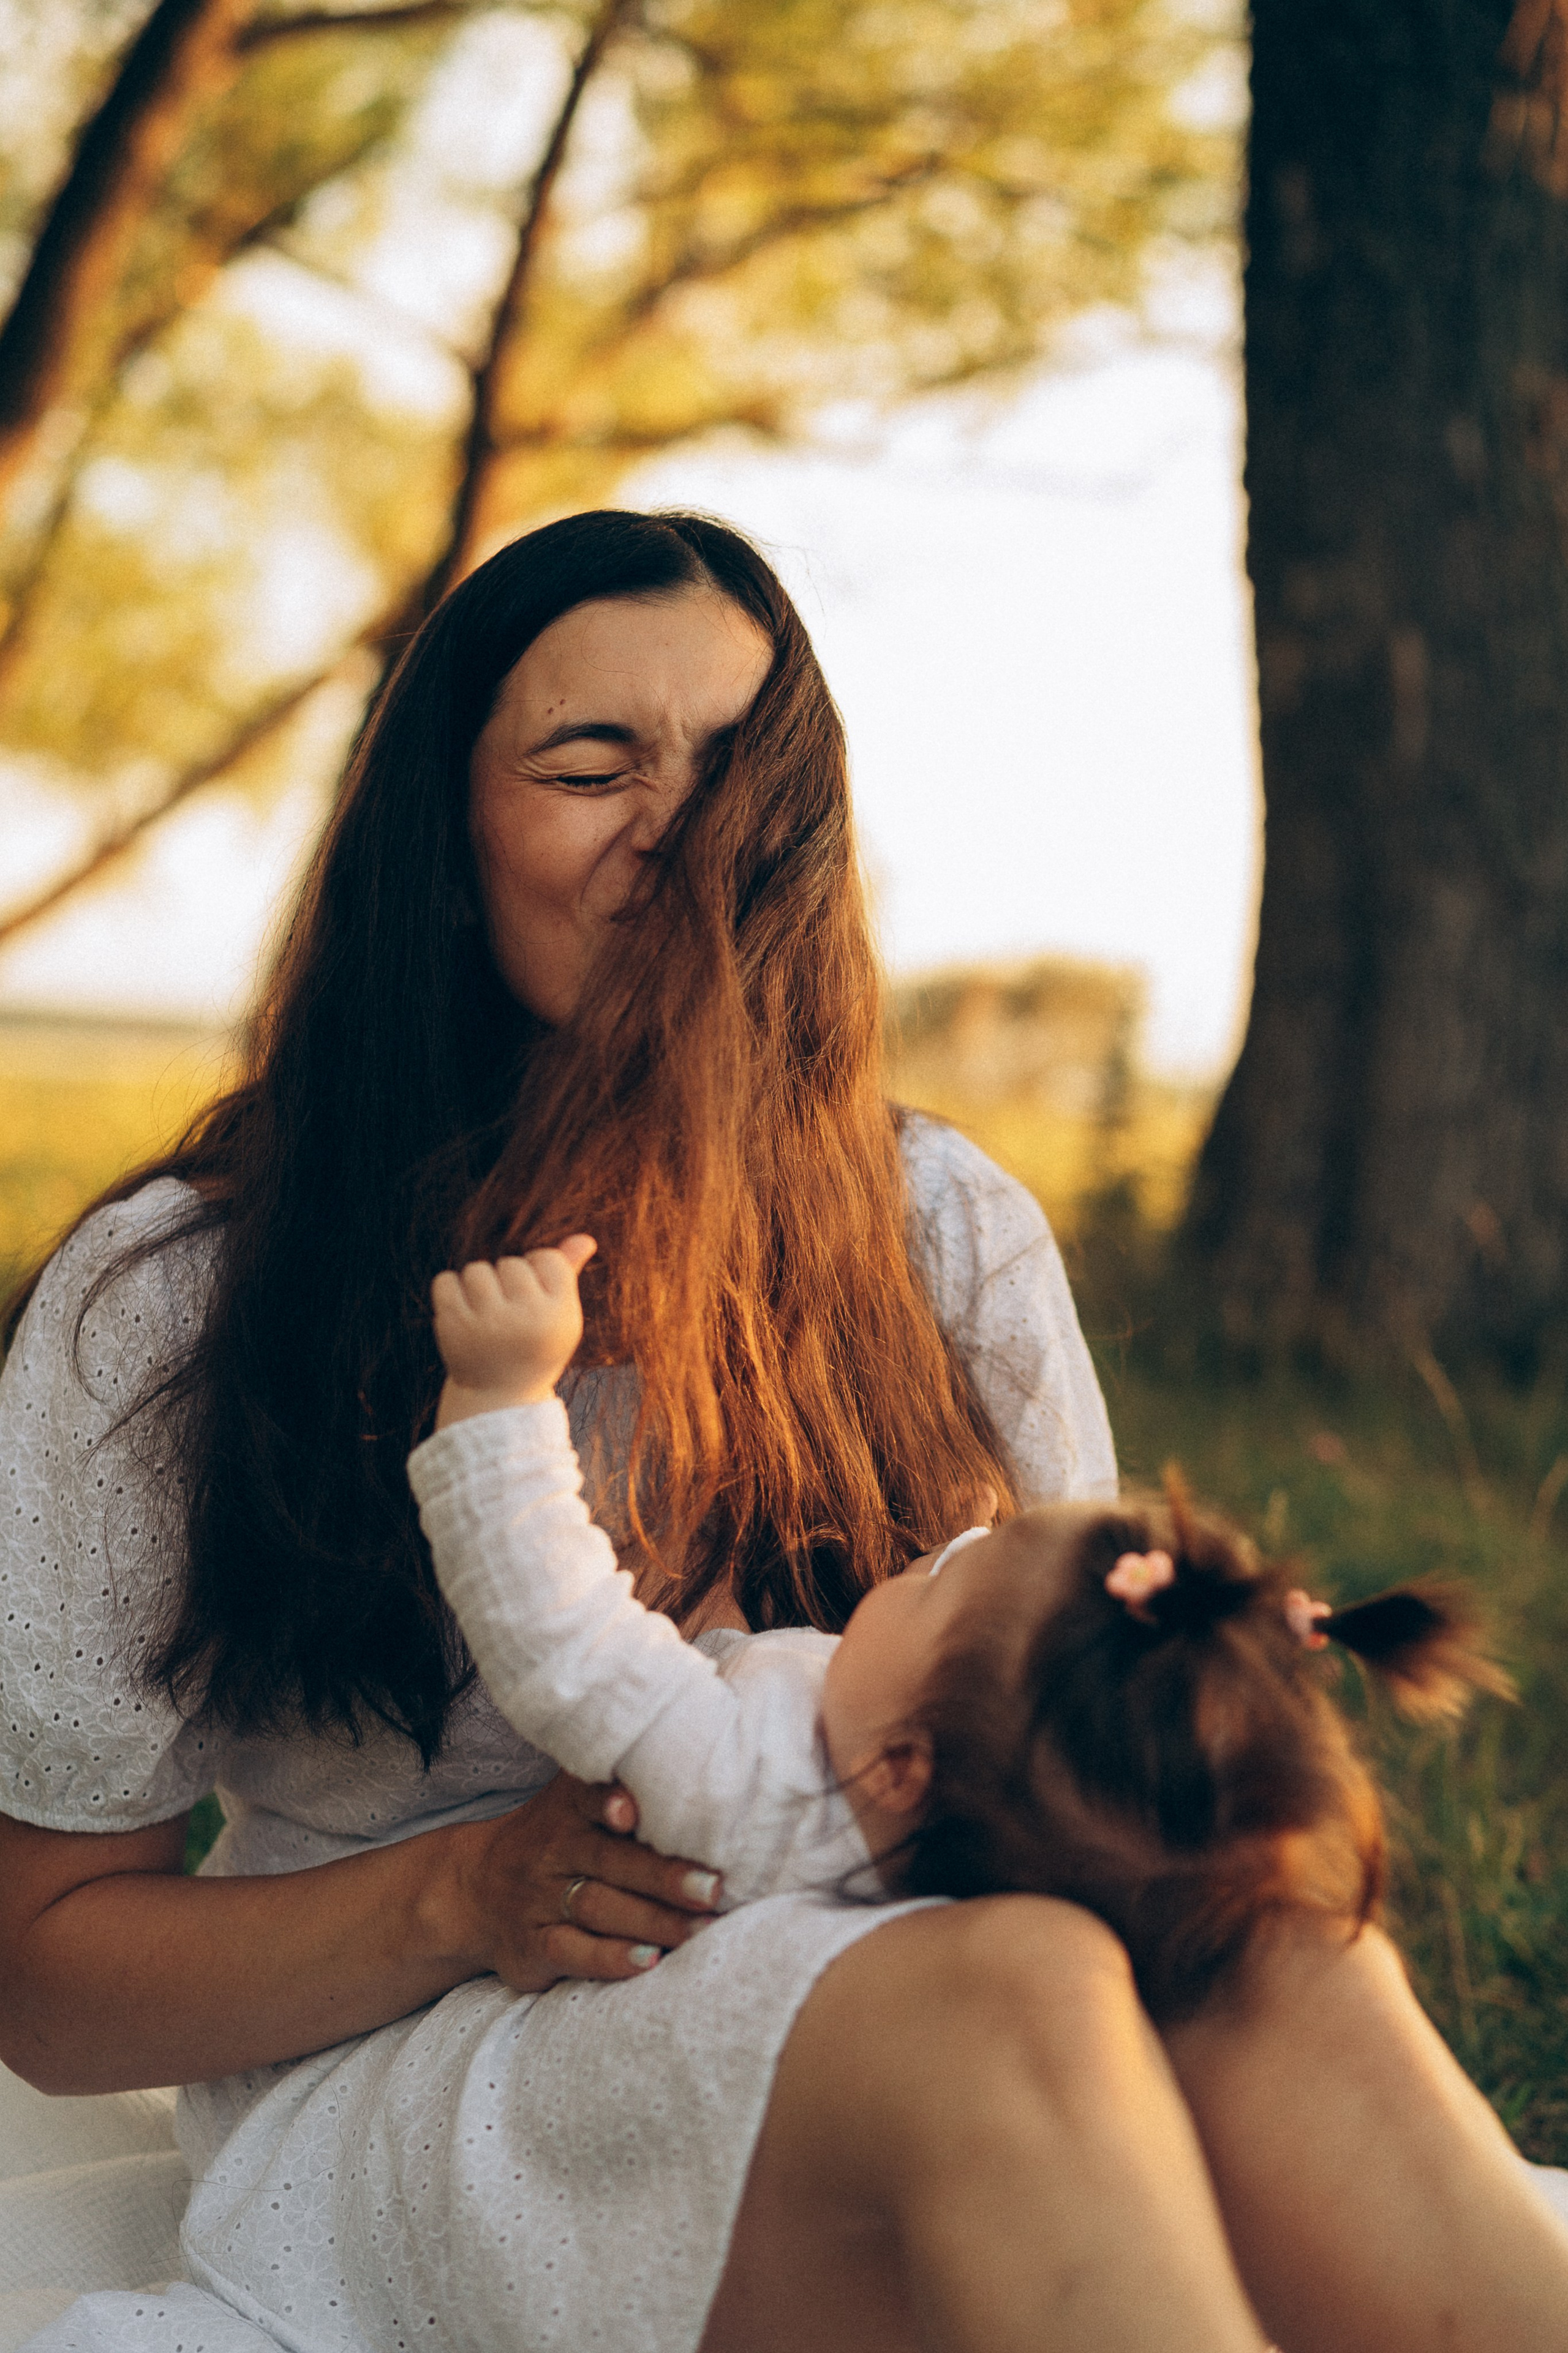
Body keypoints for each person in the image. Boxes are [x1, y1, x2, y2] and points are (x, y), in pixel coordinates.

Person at [0, 508, 1564, 2353]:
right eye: (593, 765)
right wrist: (465, 1889)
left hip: (886, 1969)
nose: (678, 834)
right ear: (445, 839)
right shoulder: (181, 1294)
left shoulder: (943, 1231)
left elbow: (1095, 1705)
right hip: (411, 2095)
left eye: (742, 775)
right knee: (1018, 1991)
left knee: (1272, 1937)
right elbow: (49, 1976)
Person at [412, 1232, 1511, 2026]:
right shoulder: (993, 1841)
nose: (924, 1557)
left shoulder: (756, 1785)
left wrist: (497, 1395)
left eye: (939, 1579)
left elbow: (557, 1630)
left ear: (903, 1766)